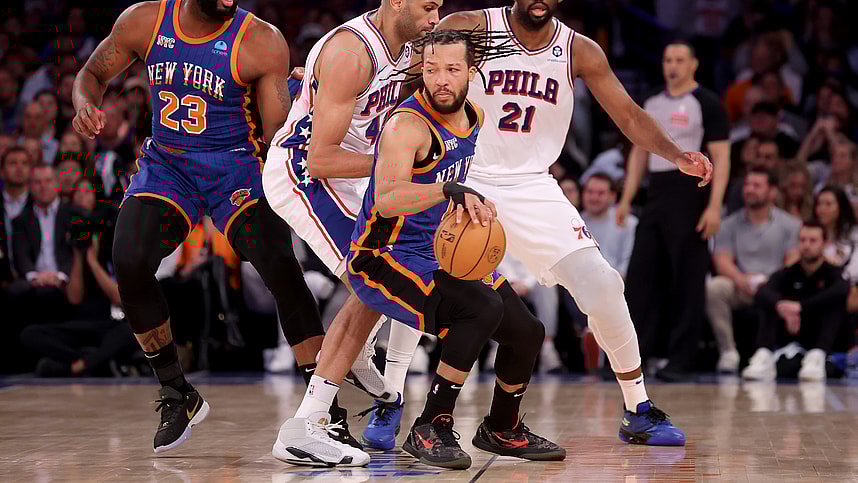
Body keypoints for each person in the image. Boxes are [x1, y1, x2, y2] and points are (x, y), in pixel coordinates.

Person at [376, 0, 710, 447]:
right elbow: (405, 76)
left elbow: (629, 115)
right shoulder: (471, 26)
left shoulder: (579, 50)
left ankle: (638, 409)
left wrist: (675, 154)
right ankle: (389, 399)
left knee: (604, 285)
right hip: (463, 173)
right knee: (427, 276)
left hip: (534, 184)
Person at [71, 0, 371, 453]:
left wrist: (299, 99)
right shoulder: (144, 20)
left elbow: (276, 133)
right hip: (169, 165)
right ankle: (177, 393)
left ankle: (324, 411)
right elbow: (92, 73)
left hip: (237, 166)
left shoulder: (261, 40)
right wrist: (83, 103)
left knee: (280, 267)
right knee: (128, 260)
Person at [285, 30, 564, 470]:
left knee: (527, 331)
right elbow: (387, 198)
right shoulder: (407, 126)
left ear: (472, 72)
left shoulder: (473, 116)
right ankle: (430, 426)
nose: (440, 80)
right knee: (480, 308)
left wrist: (467, 210)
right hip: (383, 255)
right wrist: (447, 191)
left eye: (452, 69)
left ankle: (501, 427)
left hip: (433, 248)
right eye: (432, 69)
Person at [263, 0, 441, 463]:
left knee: (391, 266)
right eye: (429, 7)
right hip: (306, 174)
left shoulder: (408, 46)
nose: (435, 19)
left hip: (353, 173)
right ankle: (303, 426)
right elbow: (320, 158)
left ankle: (356, 353)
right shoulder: (352, 53)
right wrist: (398, 166)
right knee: (375, 272)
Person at [617, 40, 729, 382]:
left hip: (692, 193)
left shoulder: (706, 102)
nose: (673, 66)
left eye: (680, 60)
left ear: (693, 64)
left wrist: (714, 206)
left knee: (688, 280)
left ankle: (682, 360)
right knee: (641, 276)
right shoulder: (651, 100)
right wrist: (626, 198)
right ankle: (633, 357)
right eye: (668, 59)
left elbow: (722, 157)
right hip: (656, 193)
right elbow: (639, 154)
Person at [19, 179, 139, 377]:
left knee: (130, 332)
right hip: (75, 323)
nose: (83, 197)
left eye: (88, 192)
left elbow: (119, 298)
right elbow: (74, 298)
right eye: (79, 193)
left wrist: (93, 262)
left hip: (104, 322)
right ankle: (91, 361)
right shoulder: (68, 242)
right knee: (30, 334)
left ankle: (75, 366)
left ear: (95, 197)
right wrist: (78, 256)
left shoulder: (109, 238)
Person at [705, 167, 801, 373]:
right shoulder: (728, 224)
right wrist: (742, 280)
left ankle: (770, 354)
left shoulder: (791, 225)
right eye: (747, 185)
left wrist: (768, 282)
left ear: (772, 192)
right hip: (741, 285)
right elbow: (722, 261)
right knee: (715, 288)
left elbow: (793, 262)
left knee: (788, 288)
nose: (749, 189)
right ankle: (728, 351)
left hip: (775, 287)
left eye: (757, 185)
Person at [742, 222, 850, 382]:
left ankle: (818, 355)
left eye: (813, 241)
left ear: (824, 244)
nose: (806, 245)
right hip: (794, 335)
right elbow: (762, 292)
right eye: (802, 240)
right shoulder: (789, 272)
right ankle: (764, 354)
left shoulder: (833, 273)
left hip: (825, 338)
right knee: (770, 302)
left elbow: (842, 290)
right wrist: (781, 305)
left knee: (834, 302)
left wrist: (801, 307)